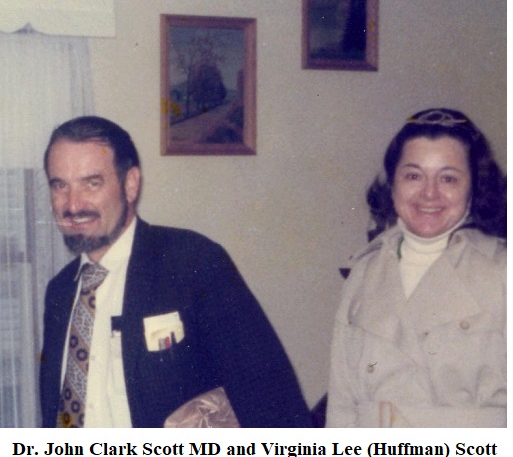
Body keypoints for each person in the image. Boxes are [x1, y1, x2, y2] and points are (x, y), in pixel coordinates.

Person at [40, 115, 312, 428]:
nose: (73, 205)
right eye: (60, 185)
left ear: (130, 184)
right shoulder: (60, 292)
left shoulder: (192, 263)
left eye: (92, 183)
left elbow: (272, 400)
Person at [326, 108, 506, 428]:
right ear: (392, 183)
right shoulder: (364, 272)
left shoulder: (501, 272)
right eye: (413, 175)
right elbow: (342, 406)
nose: (429, 193)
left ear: (473, 187)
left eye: (448, 178)